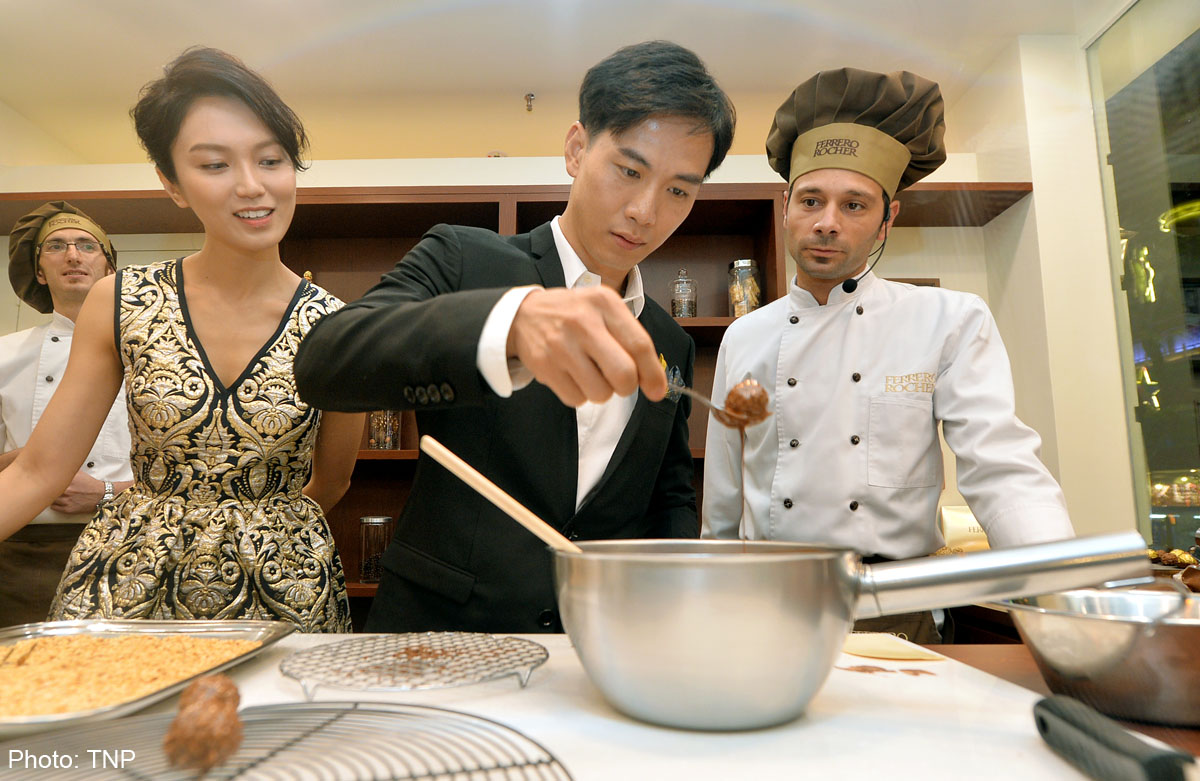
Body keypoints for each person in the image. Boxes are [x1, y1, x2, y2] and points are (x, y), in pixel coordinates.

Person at [295, 40, 735, 633]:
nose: (645, 211)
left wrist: (678, 602)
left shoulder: (668, 341)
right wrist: (511, 323)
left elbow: (669, 495)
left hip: (595, 643)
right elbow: (328, 362)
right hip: (440, 637)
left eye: (679, 190)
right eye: (629, 171)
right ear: (577, 149)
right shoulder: (463, 257)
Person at [702, 68, 1075, 643]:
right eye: (811, 200)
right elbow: (724, 499)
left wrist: (1062, 588)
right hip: (767, 608)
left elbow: (1000, 465)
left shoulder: (949, 320)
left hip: (897, 614)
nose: (828, 223)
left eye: (854, 205)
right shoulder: (744, 336)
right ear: (786, 206)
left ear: (887, 219)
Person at [0, 47, 365, 632]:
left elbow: (333, 481)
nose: (252, 186)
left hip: (282, 587)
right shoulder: (121, 299)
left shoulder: (339, 325)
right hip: (133, 581)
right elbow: (38, 471)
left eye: (271, 160)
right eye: (215, 165)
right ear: (172, 184)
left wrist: (258, 529)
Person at [0, 203, 134, 627]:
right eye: (56, 246)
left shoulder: (152, 354)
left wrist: (106, 493)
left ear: (110, 268)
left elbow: (187, 470)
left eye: (86, 246)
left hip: (128, 546)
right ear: (40, 271)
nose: (73, 255)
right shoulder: (4, 354)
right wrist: (23, 463)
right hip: (20, 555)